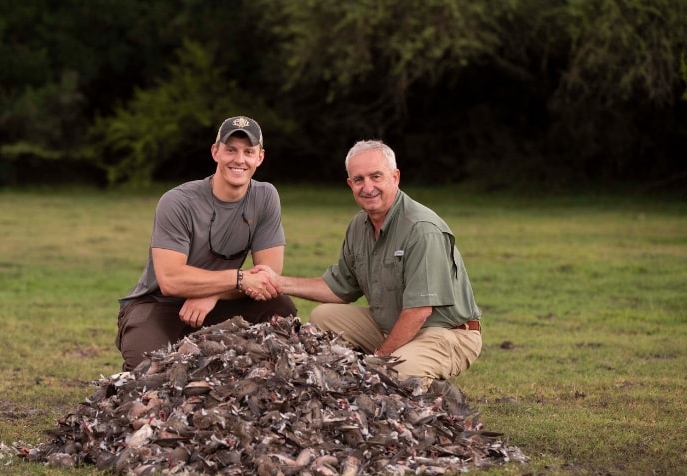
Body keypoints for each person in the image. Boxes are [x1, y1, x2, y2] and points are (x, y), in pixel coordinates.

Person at [250, 140, 482, 389]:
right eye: (359, 179)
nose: (367, 187)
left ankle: (433, 387)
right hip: (391, 325)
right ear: (350, 184)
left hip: (445, 333)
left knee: (395, 372)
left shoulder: (422, 229)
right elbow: (338, 288)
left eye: (376, 176)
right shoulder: (359, 226)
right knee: (323, 316)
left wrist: (379, 360)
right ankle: (363, 375)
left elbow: (419, 312)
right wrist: (277, 281)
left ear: (395, 177)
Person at [116, 115, 297, 371]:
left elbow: (267, 277)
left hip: (217, 302)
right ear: (215, 152)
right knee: (152, 371)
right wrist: (238, 279)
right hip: (158, 304)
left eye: (248, 151)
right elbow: (170, 280)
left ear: (260, 157)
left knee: (280, 309)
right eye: (230, 150)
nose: (239, 159)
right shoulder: (178, 201)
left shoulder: (265, 196)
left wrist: (213, 293)